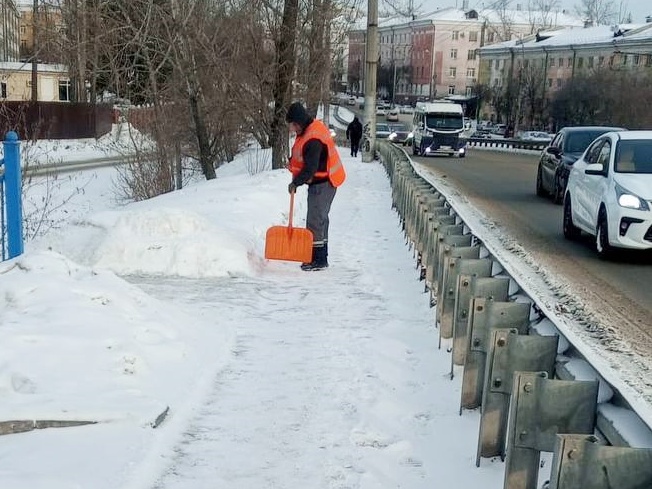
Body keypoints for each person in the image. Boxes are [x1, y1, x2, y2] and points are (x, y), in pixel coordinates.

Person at [285, 101, 346, 271]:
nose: (292, 129)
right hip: (323, 182)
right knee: (321, 219)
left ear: (298, 122)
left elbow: (310, 168)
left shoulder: (313, 139)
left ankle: (317, 260)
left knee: (315, 220)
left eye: (292, 125)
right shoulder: (309, 130)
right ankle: (321, 256)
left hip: (324, 183)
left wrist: (295, 182)